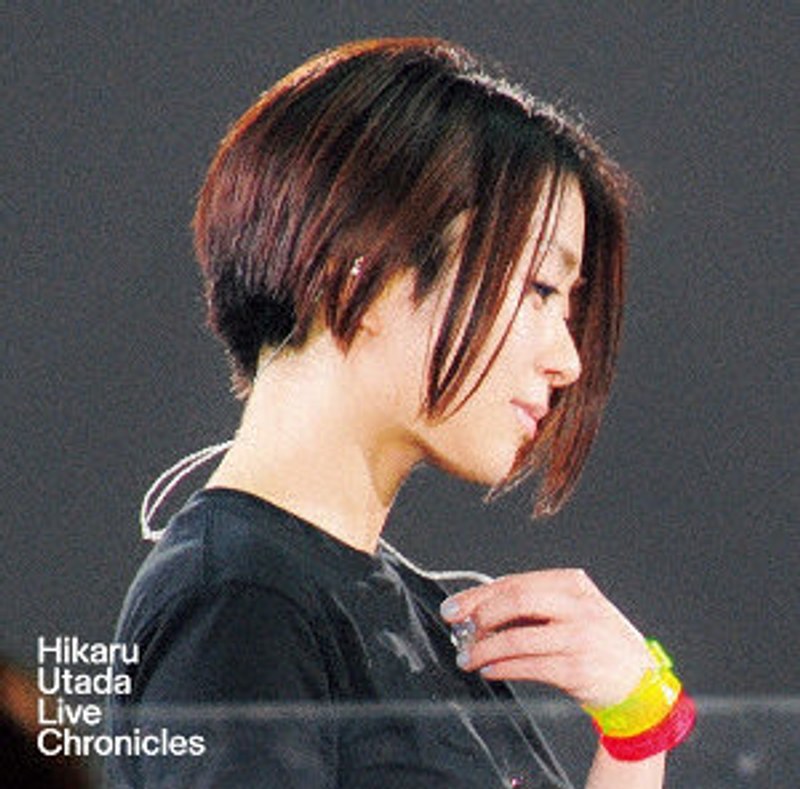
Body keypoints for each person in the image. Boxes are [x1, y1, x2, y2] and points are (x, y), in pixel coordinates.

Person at [107, 37, 694, 788]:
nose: (568, 360)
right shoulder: (241, 605)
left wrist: (638, 730)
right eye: (542, 289)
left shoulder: (423, 617)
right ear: (363, 276)